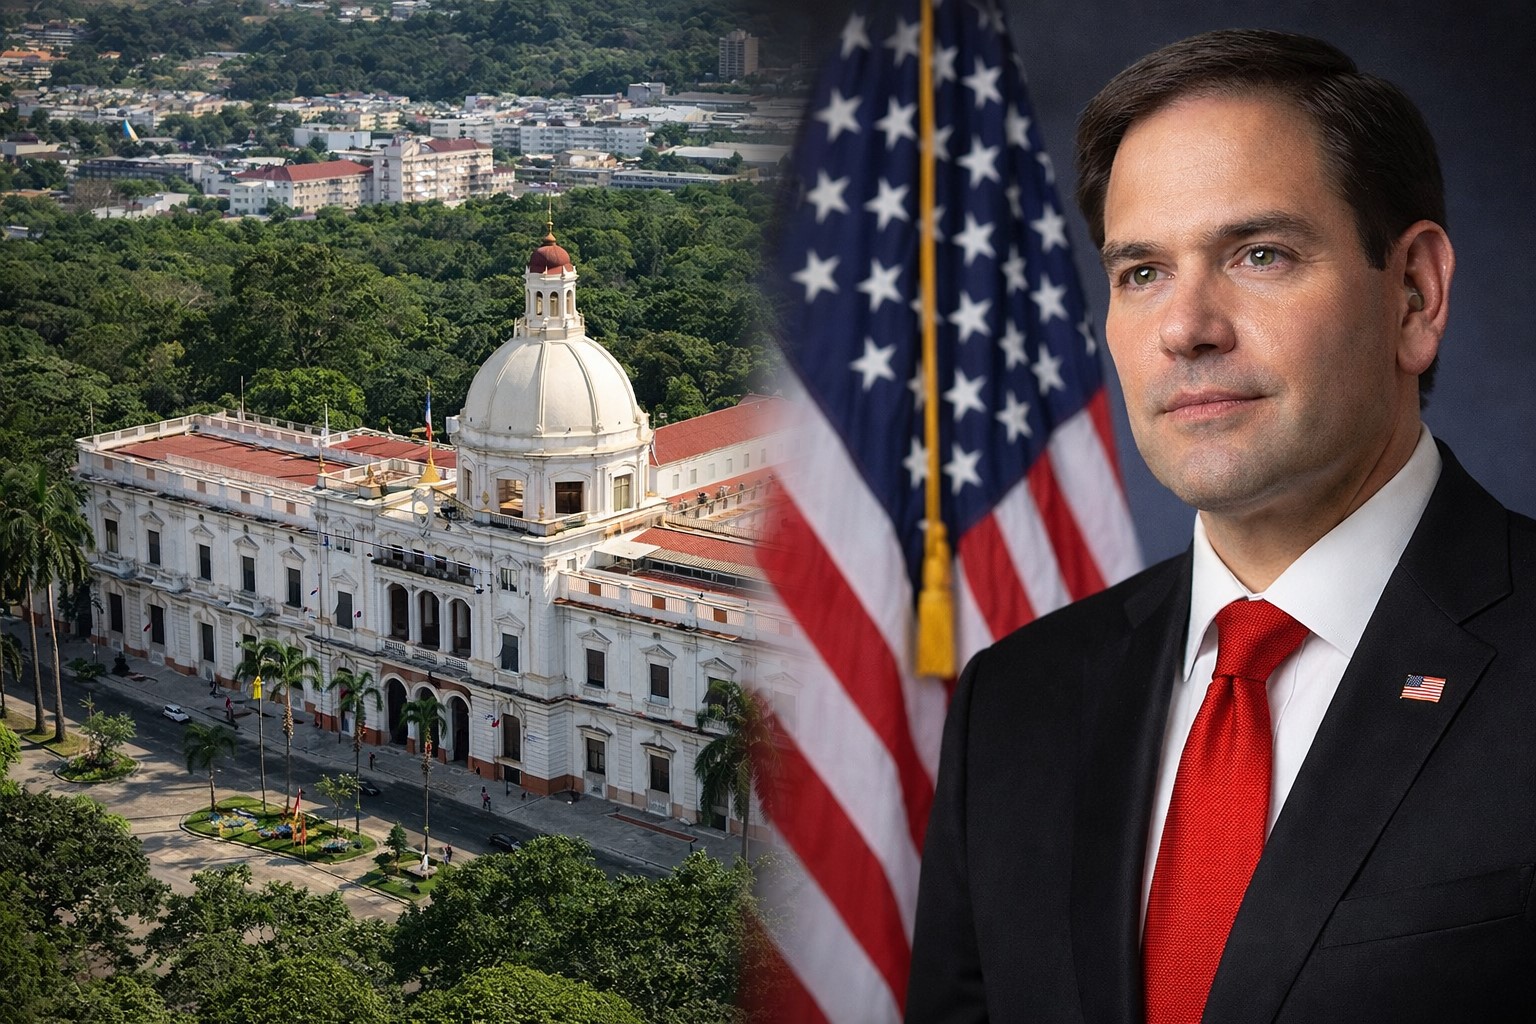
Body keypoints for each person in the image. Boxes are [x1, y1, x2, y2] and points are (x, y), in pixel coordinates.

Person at [906, 29, 1536, 1024]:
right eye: (1142, 272)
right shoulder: (1015, 703)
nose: (1186, 328)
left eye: (1260, 254)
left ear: (1415, 295)